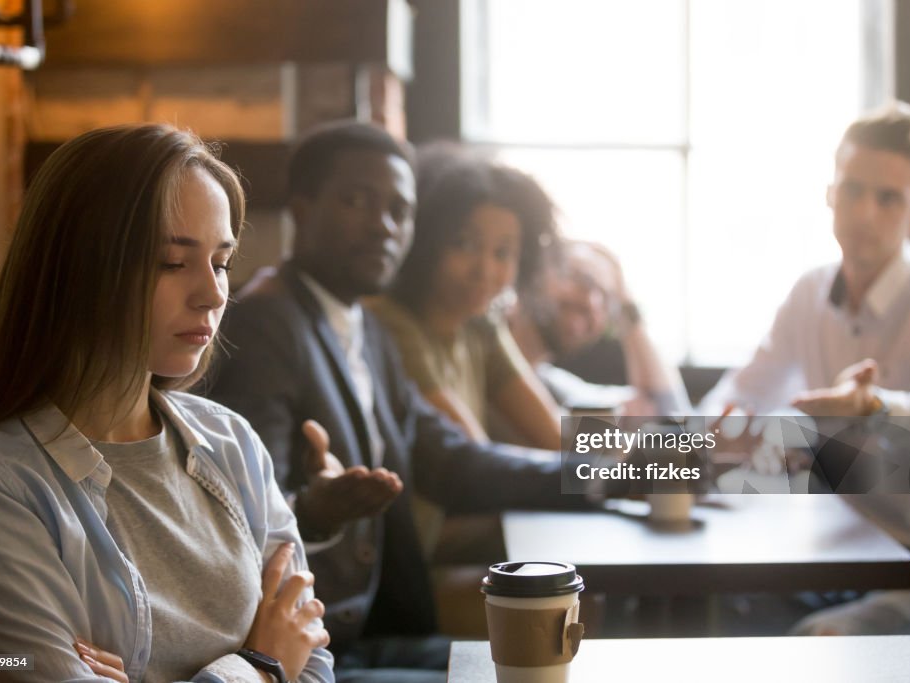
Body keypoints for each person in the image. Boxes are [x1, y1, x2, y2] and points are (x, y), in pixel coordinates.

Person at [206, 121, 601, 683]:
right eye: (356, 201)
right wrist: (315, 511)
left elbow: (450, 459)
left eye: (399, 209)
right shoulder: (268, 323)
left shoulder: (364, 328)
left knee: (555, 664)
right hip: (311, 652)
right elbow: (237, 524)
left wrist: (610, 471)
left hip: (376, 631)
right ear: (302, 206)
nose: (382, 225)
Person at [0, 124, 334, 682]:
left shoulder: (232, 443)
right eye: (172, 263)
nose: (213, 293)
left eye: (221, 261)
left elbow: (316, 664)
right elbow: (5, 663)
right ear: (78, 268)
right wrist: (259, 666)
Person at [700, 103, 910, 656]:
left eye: (888, 198)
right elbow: (742, 390)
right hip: (852, 554)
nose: (864, 213)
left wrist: (873, 407)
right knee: (717, 605)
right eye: (852, 190)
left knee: (822, 649)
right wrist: (711, 435)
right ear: (829, 194)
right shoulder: (810, 294)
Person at [367, 149, 563, 449]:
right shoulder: (390, 322)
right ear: (426, 241)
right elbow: (476, 457)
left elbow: (557, 433)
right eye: (464, 244)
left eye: (502, 253)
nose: (485, 271)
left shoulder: (481, 325)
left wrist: (646, 463)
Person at [510, 239, 690, 416]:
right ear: (535, 273)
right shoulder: (488, 359)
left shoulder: (557, 388)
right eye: (582, 280)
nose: (592, 303)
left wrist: (628, 312)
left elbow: (670, 420)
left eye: (607, 301)